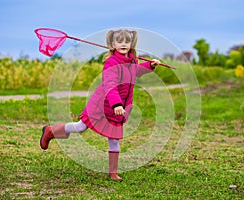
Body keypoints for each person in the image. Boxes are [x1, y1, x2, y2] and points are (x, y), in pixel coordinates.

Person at [40, 29, 161, 181]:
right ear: (112, 44)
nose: (124, 44)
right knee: (80, 127)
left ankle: (113, 173)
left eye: (127, 41)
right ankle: (51, 131)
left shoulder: (132, 61)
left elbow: (135, 72)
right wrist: (116, 104)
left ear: (132, 44)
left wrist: (150, 66)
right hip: (103, 104)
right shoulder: (111, 62)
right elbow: (110, 84)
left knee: (114, 138)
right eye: (120, 41)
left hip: (120, 107)